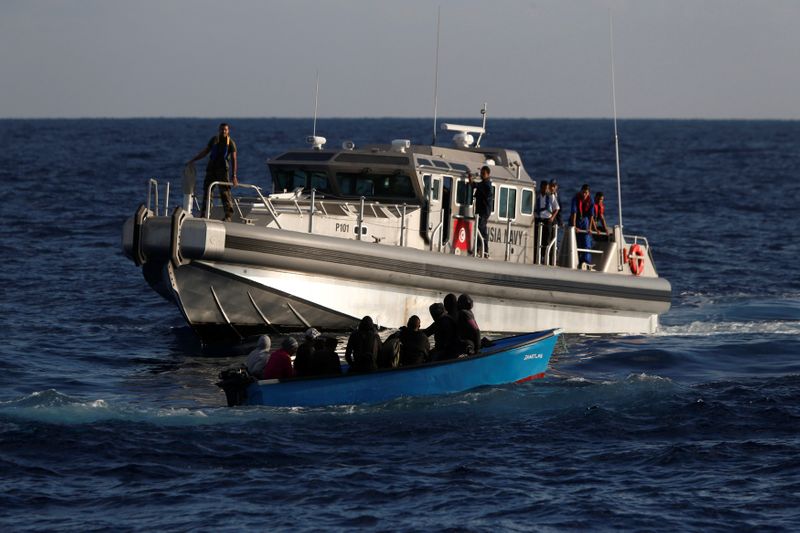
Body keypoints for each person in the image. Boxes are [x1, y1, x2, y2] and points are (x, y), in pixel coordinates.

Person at [187, 123, 238, 222]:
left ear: (228, 131)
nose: (223, 131)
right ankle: (204, 214)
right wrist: (193, 160)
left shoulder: (231, 143)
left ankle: (228, 215)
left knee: (225, 193)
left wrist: (234, 175)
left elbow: (234, 159)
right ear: (219, 130)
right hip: (211, 170)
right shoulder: (214, 140)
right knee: (207, 191)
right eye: (222, 129)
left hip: (223, 171)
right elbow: (205, 152)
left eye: (225, 130)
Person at [468, 166, 494, 258]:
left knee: (481, 230)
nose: (482, 175)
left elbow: (477, 185)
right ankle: (479, 249)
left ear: (488, 174)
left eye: (483, 173)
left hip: (484, 211)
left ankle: (484, 251)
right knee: (480, 230)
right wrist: (470, 180)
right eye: (481, 173)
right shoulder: (484, 183)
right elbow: (475, 185)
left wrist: (471, 180)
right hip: (481, 211)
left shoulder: (487, 184)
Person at [570, 184, 595, 268]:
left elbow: (591, 215)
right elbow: (574, 213)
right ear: (581, 191)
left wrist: (590, 228)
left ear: (588, 193)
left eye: (586, 193)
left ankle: (586, 261)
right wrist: (574, 226)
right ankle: (576, 260)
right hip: (576, 219)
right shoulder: (575, 198)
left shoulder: (590, 200)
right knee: (576, 240)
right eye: (583, 192)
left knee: (586, 240)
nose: (584, 194)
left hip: (585, 220)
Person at [534, 181, 558, 264]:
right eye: (543, 188)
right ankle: (536, 257)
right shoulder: (536, 195)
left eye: (546, 188)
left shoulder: (551, 196)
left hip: (547, 220)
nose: (544, 189)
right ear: (540, 187)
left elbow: (556, 208)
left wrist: (552, 217)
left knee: (546, 239)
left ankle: (546, 259)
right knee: (536, 239)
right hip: (538, 219)